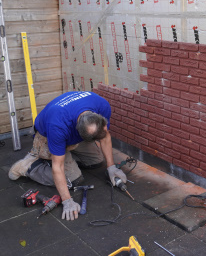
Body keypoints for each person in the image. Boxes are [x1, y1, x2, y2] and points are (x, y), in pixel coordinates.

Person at [8, 91, 126, 221]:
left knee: (97, 161)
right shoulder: (57, 126)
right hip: (46, 137)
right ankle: (28, 166)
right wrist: (67, 201)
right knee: (74, 180)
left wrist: (111, 167)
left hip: (69, 136)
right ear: (80, 134)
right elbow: (57, 167)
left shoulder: (101, 106)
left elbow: (105, 136)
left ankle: (64, 155)